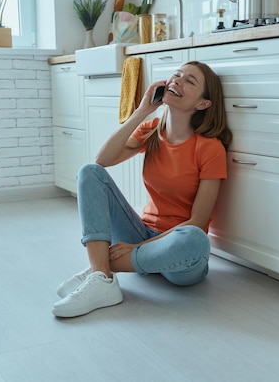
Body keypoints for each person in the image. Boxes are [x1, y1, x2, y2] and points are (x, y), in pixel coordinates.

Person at [52, 61, 232, 318]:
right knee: (89, 172)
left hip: (177, 247)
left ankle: (99, 268)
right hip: (140, 232)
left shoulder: (210, 148)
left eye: (190, 81)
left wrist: (139, 248)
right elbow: (102, 160)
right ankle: (102, 278)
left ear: (203, 104)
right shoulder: (151, 131)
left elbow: (197, 222)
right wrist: (141, 111)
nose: (177, 80)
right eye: (177, 74)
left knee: (195, 240)